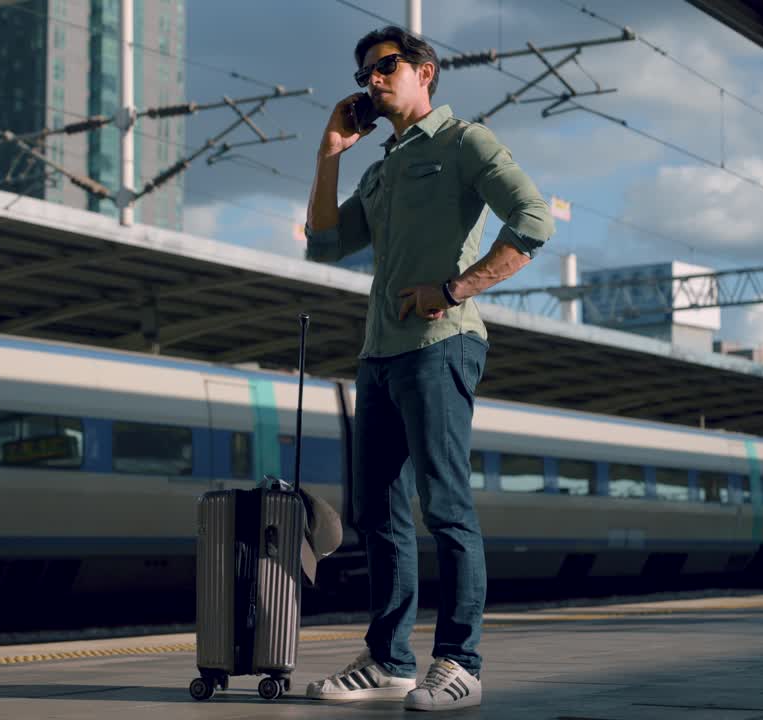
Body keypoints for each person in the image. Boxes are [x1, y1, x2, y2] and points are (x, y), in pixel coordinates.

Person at [302, 25, 554, 712]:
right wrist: (330, 154)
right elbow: (323, 245)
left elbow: (534, 220)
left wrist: (454, 289)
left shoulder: (465, 142)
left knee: (445, 506)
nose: (373, 80)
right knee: (378, 513)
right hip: (379, 355)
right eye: (365, 74)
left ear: (425, 71)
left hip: (442, 344)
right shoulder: (380, 170)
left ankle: (460, 664)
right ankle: (389, 662)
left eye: (386, 66)